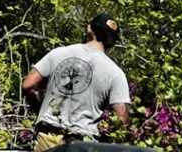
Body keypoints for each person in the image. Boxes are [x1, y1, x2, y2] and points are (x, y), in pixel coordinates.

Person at [22, 13, 131, 150]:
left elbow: (28, 85)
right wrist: (106, 134)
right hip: (83, 145)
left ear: (89, 29)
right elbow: (122, 118)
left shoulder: (59, 53)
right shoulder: (115, 73)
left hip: (48, 138)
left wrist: (39, 108)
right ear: (112, 42)